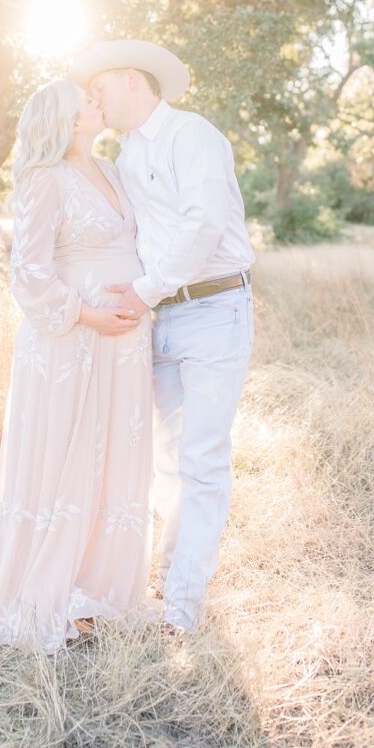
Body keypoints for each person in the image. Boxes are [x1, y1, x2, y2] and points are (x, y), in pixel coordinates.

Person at [70, 41, 256, 634]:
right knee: (166, 459)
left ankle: (184, 602)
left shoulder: (191, 135)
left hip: (213, 307)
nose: (95, 101)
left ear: (132, 79)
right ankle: (171, 572)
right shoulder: (124, 156)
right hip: (160, 319)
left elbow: (204, 224)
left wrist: (146, 290)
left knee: (202, 459)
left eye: (100, 90)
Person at [0, 77, 154, 654]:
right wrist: (86, 314)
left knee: (112, 457)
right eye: (89, 102)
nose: (99, 105)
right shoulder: (45, 180)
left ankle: (96, 590)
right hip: (71, 342)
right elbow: (27, 272)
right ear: (67, 119)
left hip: (122, 341)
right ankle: (46, 588)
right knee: (66, 452)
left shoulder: (116, 172)